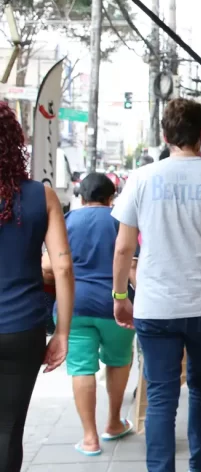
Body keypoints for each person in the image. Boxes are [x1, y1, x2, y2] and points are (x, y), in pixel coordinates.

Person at [111, 98, 201, 472]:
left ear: (165, 135)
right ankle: (200, 464)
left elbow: (124, 246)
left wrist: (121, 295)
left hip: (155, 304)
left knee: (160, 396)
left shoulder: (141, 178)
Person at [42, 173, 139, 456]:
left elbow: (50, 266)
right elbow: (132, 266)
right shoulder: (121, 220)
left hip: (74, 306)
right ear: (112, 197)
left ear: (81, 197)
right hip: (116, 305)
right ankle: (113, 423)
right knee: (119, 360)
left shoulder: (68, 220)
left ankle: (89, 438)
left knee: (81, 367)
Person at [0, 102, 73, 472]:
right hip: (22, 329)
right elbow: (62, 265)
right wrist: (61, 332)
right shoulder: (39, 196)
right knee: (9, 430)